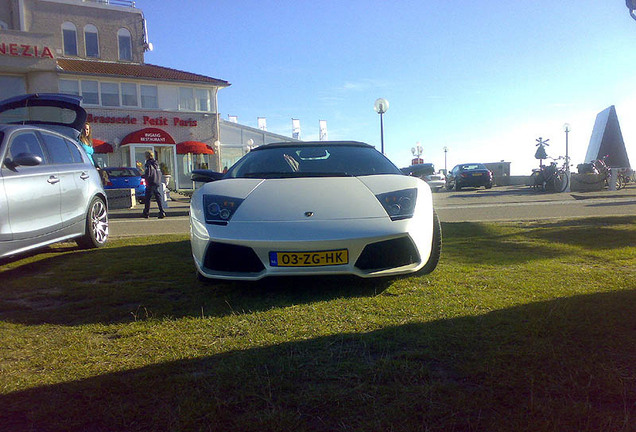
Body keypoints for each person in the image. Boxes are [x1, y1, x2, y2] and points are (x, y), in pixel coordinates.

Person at [142, 151, 166, 219]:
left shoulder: (148, 164)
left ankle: (146, 212)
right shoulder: (156, 164)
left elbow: (148, 174)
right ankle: (162, 211)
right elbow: (159, 173)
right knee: (158, 197)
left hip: (151, 182)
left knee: (147, 198)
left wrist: (142, 176)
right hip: (157, 182)